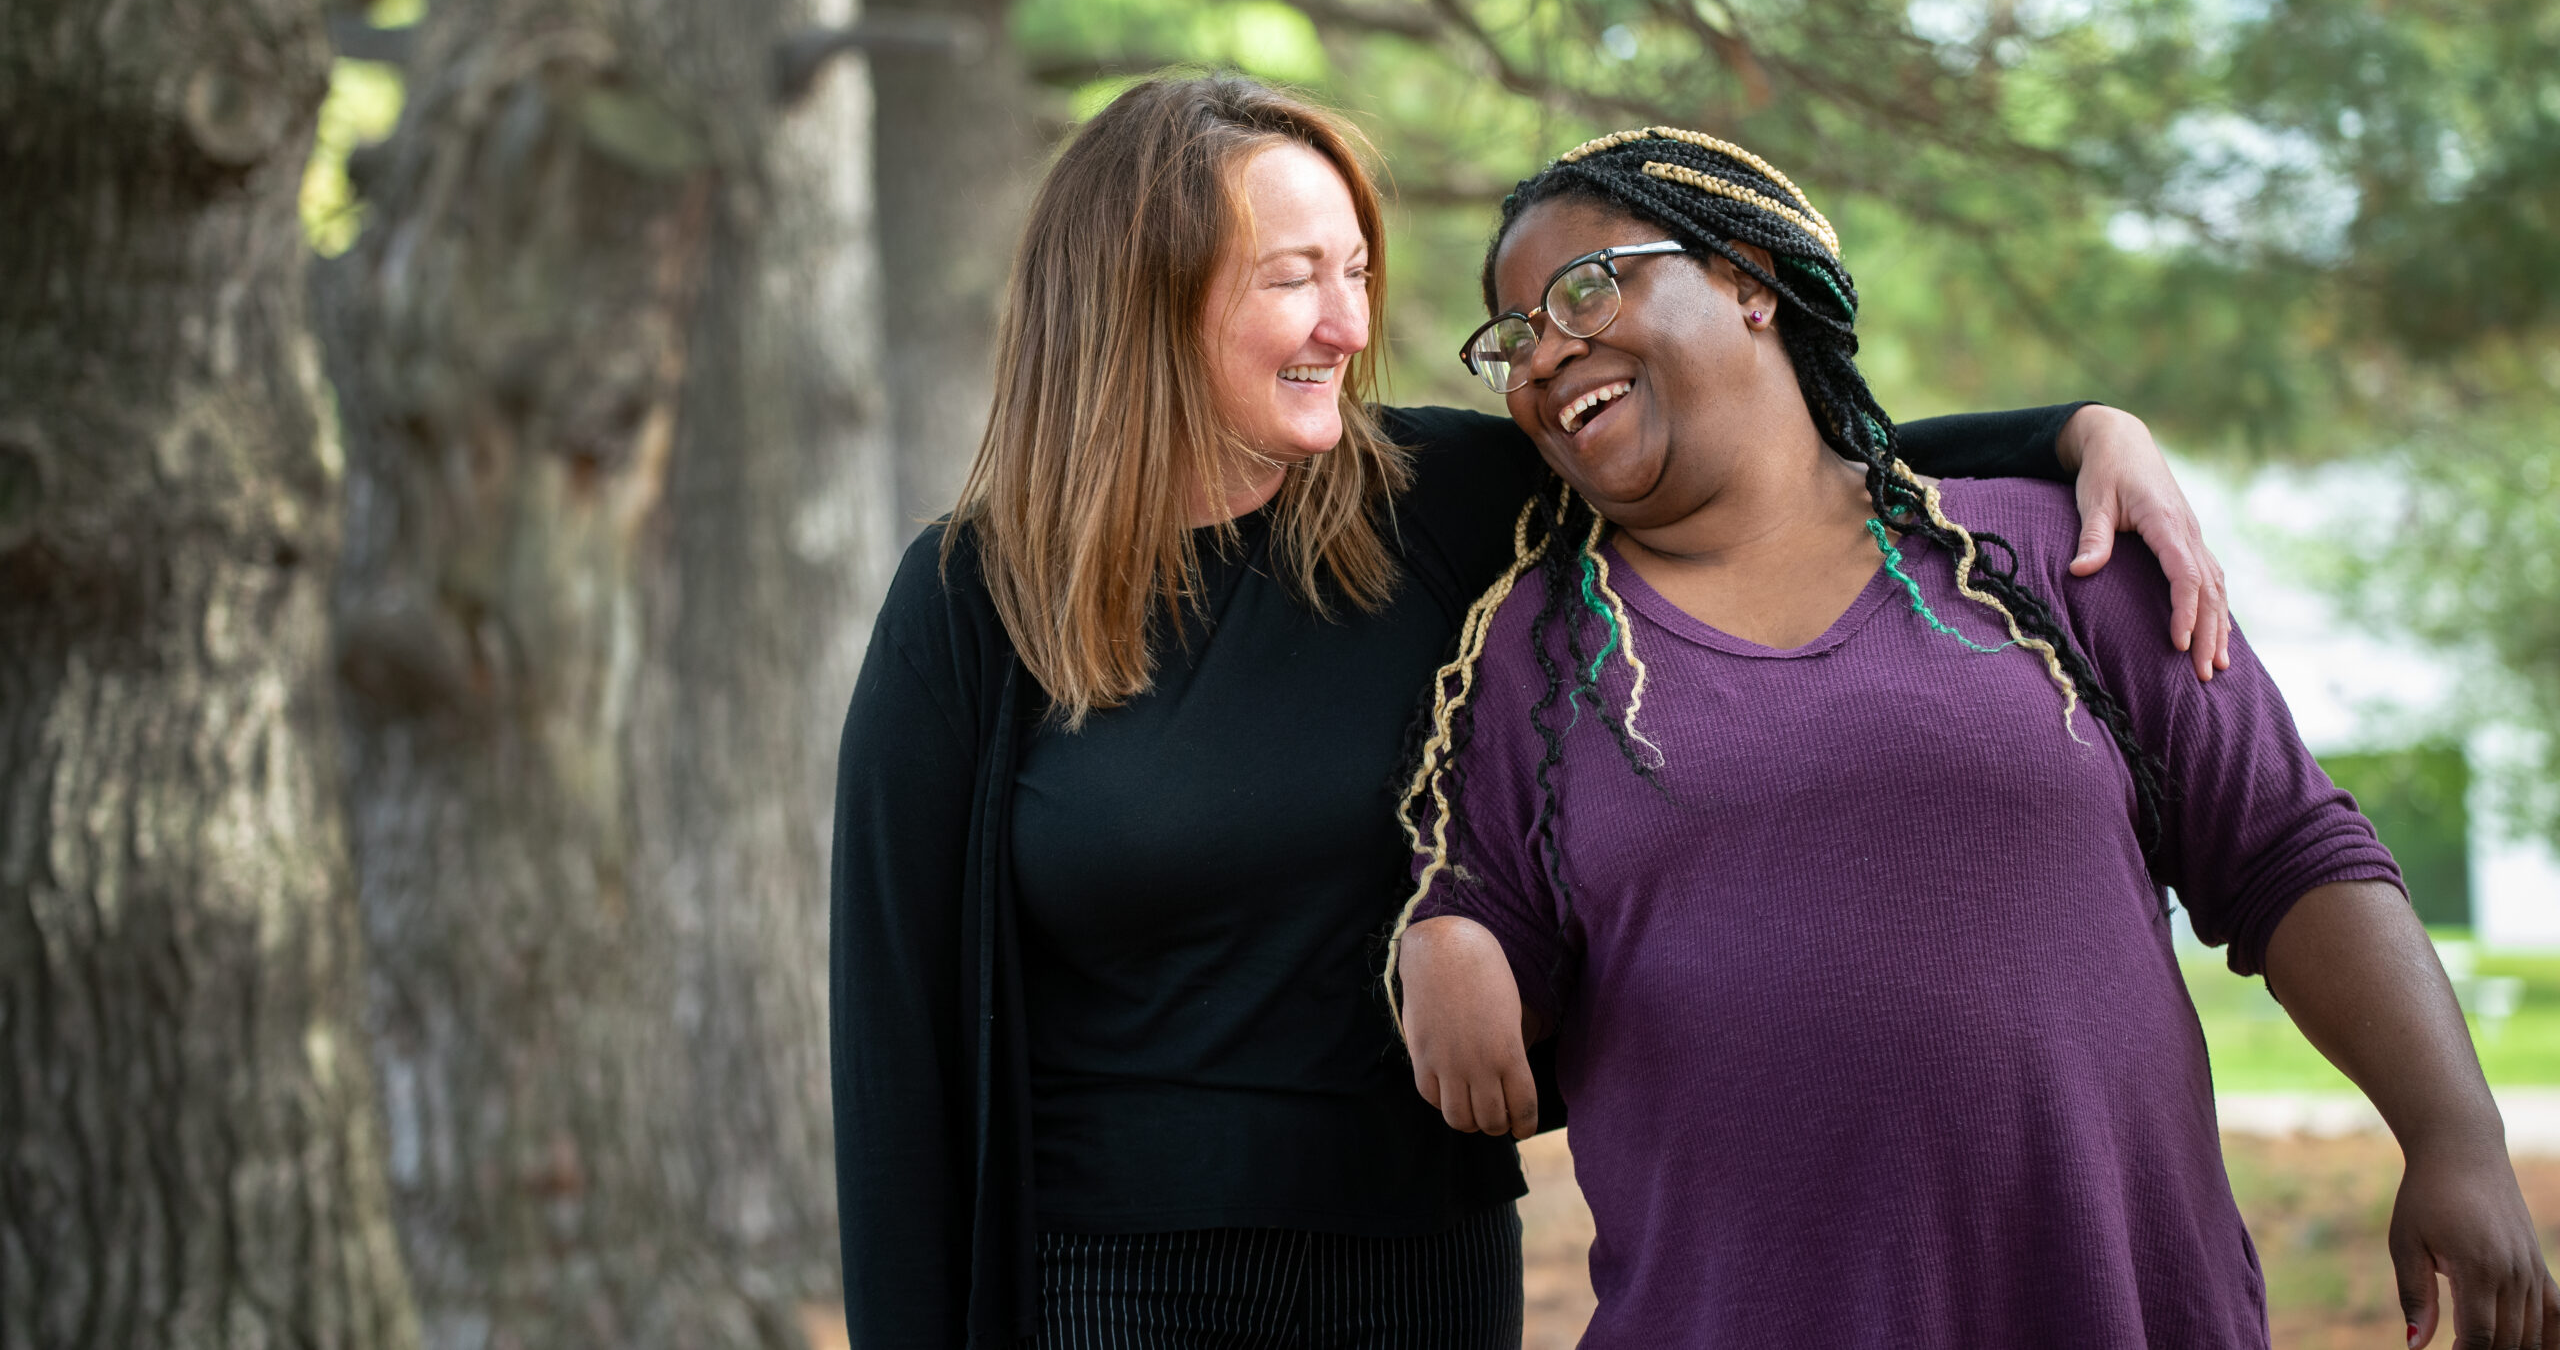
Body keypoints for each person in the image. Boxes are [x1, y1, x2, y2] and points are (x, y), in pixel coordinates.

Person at [830, 78, 2232, 1349]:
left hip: (1421, 1272)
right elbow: (898, 1049)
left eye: (1358, 272)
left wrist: (2071, 433)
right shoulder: (973, 601)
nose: (1349, 325)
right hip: (1102, 1287)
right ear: (1143, 292)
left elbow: (1778, 455)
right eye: (1293, 279)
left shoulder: (1441, 504)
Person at [1391, 124, 2557, 1350]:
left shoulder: (2056, 551)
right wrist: (1449, 933)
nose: (1544, 351)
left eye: (1587, 284)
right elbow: (1491, 997)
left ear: (1745, 276)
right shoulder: (1528, 656)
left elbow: (2285, 850)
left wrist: (2454, 1136)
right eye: (1511, 337)